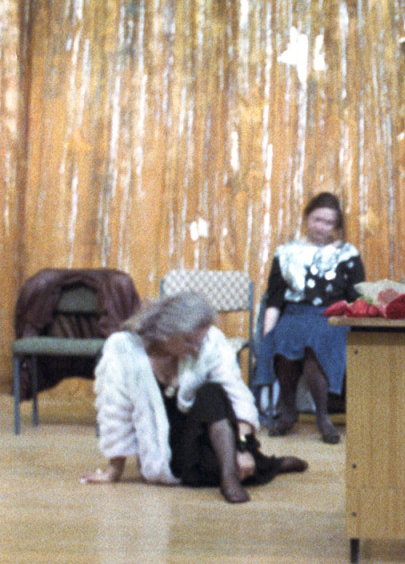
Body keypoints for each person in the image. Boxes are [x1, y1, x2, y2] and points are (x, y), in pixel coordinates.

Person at [86, 293, 307, 503]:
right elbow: (115, 412)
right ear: (166, 331)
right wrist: (113, 472)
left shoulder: (210, 341)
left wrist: (243, 449)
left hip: (207, 439)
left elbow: (237, 395)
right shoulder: (123, 348)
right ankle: (269, 465)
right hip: (175, 458)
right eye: (189, 341)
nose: (196, 348)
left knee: (211, 392)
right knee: (226, 467)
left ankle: (230, 480)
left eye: (198, 342)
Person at [253, 192, 365, 444]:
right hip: (294, 312)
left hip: (332, 316)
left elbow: (356, 296)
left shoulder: (348, 253)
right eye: (317, 219)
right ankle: (288, 410)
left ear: (336, 226)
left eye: (328, 222)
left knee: (320, 339)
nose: (321, 227)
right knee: (281, 338)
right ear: (307, 218)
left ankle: (323, 416)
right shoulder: (286, 252)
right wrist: (267, 333)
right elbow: (275, 298)